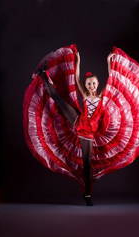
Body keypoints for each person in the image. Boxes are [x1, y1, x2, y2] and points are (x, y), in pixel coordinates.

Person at [35, 51, 114, 206]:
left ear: (97, 84)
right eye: (89, 83)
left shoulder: (101, 97)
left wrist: (108, 60)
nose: (91, 85)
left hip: (88, 134)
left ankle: (87, 194)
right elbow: (76, 78)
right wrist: (78, 59)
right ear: (86, 85)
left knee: (87, 163)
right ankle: (42, 74)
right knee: (58, 99)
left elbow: (110, 79)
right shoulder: (84, 95)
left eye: (93, 83)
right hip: (78, 121)